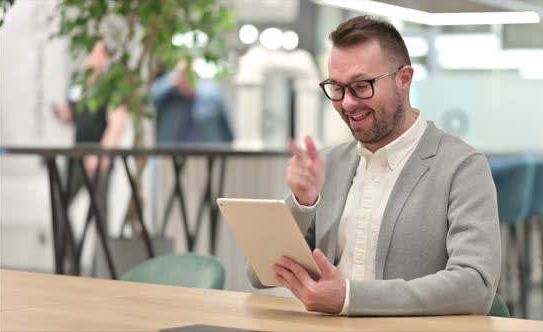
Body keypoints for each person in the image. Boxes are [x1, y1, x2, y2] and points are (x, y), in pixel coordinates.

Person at [247, 15, 501, 316]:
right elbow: (259, 273)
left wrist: (350, 297)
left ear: (404, 79)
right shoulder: (331, 163)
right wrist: (303, 203)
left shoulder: (462, 167)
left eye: (361, 86)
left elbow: (476, 285)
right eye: (337, 88)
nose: (347, 103)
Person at [52, 40, 128, 221]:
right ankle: (67, 249)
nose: (92, 57)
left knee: (100, 213)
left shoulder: (112, 87)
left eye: (98, 53)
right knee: (59, 202)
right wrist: (62, 114)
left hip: (98, 158)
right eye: (91, 52)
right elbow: (73, 115)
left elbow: (116, 125)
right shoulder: (79, 85)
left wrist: (100, 154)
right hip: (77, 155)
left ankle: (100, 250)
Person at [151, 60, 234, 144]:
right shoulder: (169, 97)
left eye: (189, 76)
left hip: (208, 153)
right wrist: (171, 79)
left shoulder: (212, 94)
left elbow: (226, 129)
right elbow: (150, 99)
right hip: (173, 154)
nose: (186, 80)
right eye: (183, 76)